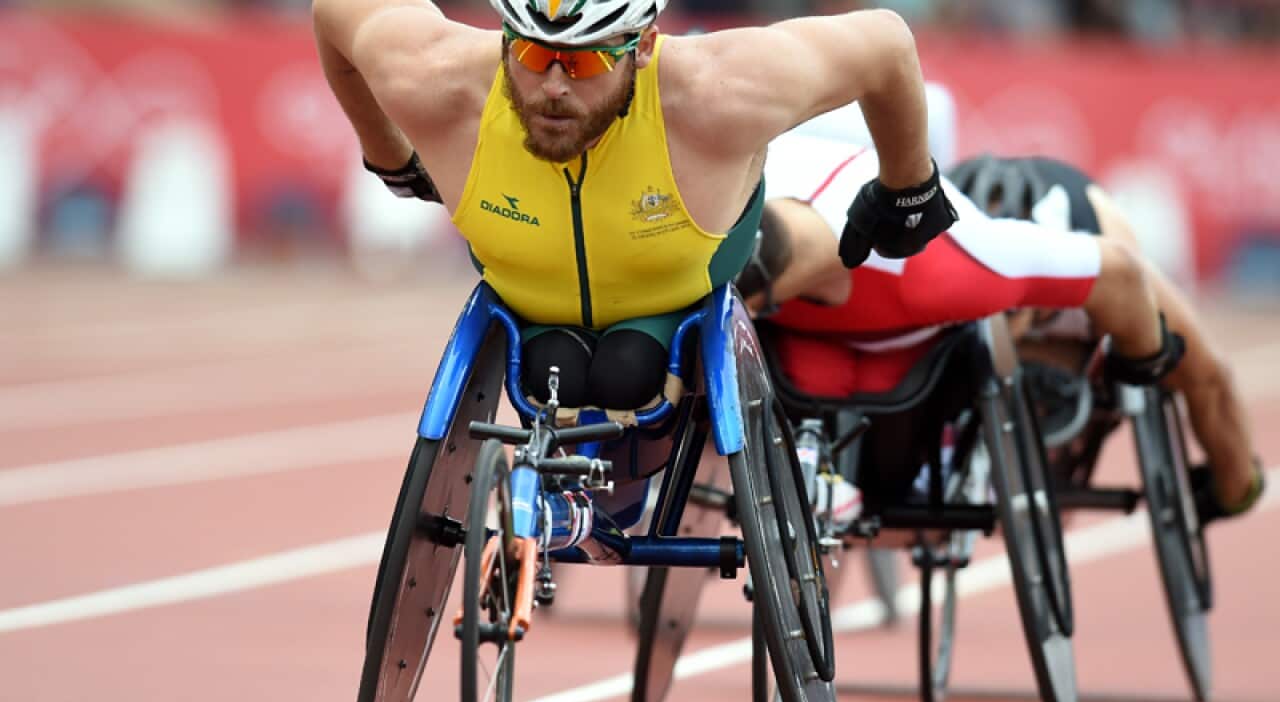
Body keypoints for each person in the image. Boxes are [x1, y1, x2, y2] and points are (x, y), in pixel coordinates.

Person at [311, 0, 957, 411]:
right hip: (539, 317)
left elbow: (887, 43)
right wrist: (387, 155)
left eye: (586, 63)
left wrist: (909, 187)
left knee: (633, 368)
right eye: (534, 56)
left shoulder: (721, 88)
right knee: (563, 370)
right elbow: (335, 11)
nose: (553, 88)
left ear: (643, 47)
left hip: (682, 286)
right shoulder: (435, 76)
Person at [739, 132, 1264, 524]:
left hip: (1094, 264)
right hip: (943, 252)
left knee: (1182, 360)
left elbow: (1209, 378)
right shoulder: (961, 265)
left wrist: (1232, 487)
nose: (1019, 327)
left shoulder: (1087, 247)